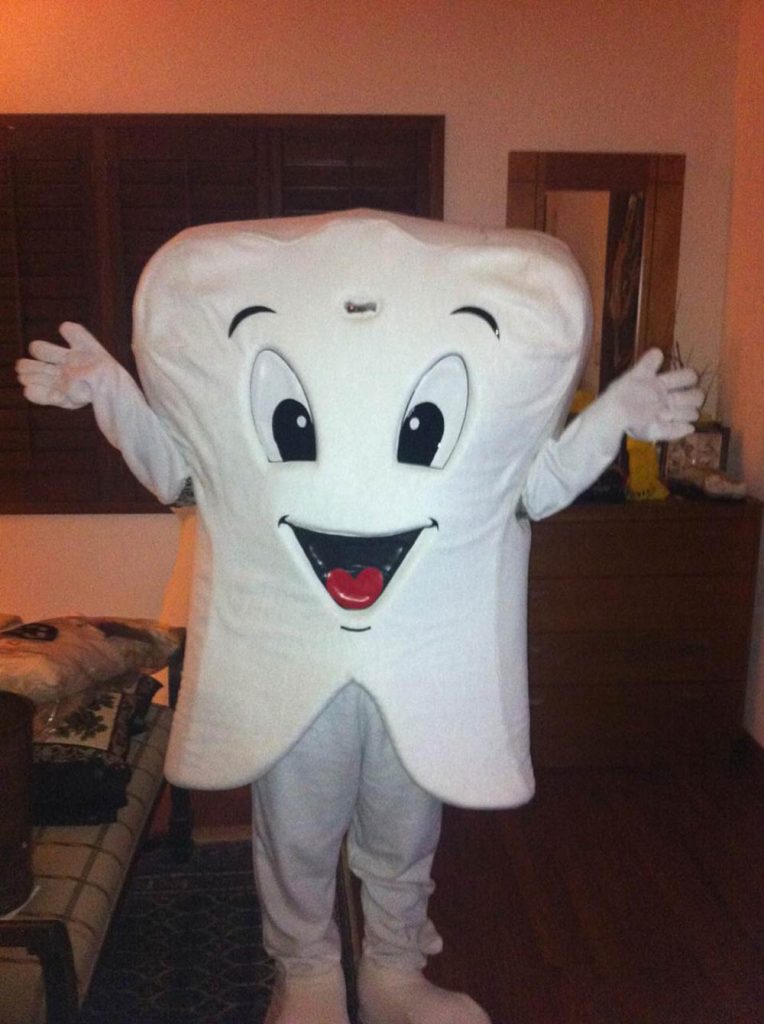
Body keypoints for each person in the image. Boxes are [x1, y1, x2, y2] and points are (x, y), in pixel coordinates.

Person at [16, 210, 702, 1024]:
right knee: (296, 835)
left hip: (422, 661)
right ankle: (306, 973)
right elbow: (181, 474)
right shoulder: (238, 419)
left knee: (404, 833)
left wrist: (610, 419)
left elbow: (535, 488)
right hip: (290, 659)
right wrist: (112, 394)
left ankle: (392, 971)